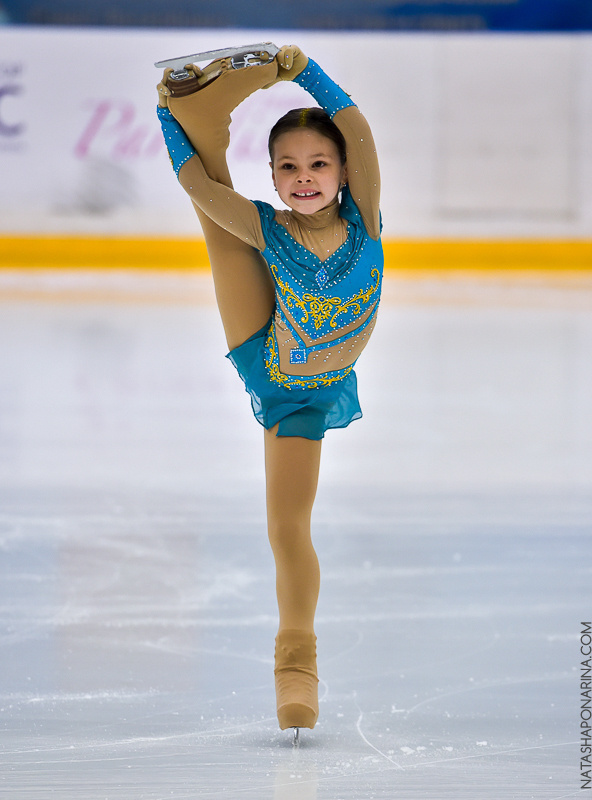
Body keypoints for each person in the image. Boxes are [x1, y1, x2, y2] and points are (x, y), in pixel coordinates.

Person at [156, 44, 382, 734]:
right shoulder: (270, 225)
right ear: (275, 177)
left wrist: (303, 68)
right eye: (287, 166)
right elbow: (200, 191)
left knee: (291, 527)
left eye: (318, 164)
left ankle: (200, 106)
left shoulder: (366, 215)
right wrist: (165, 117)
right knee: (287, 527)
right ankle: (296, 665)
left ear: (343, 172)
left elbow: (357, 124)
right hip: (277, 372)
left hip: (320, 387)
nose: (303, 177)